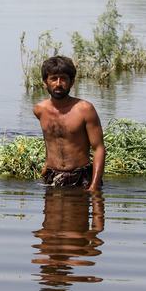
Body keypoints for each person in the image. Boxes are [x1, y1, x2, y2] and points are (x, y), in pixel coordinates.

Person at [33, 56, 106, 190]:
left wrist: (94, 186)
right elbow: (50, 139)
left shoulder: (85, 109)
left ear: (72, 82)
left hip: (81, 177)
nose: (58, 83)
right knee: (50, 211)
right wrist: (45, 165)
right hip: (52, 176)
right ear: (45, 82)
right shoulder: (39, 110)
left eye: (63, 79)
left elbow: (99, 148)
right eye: (53, 79)